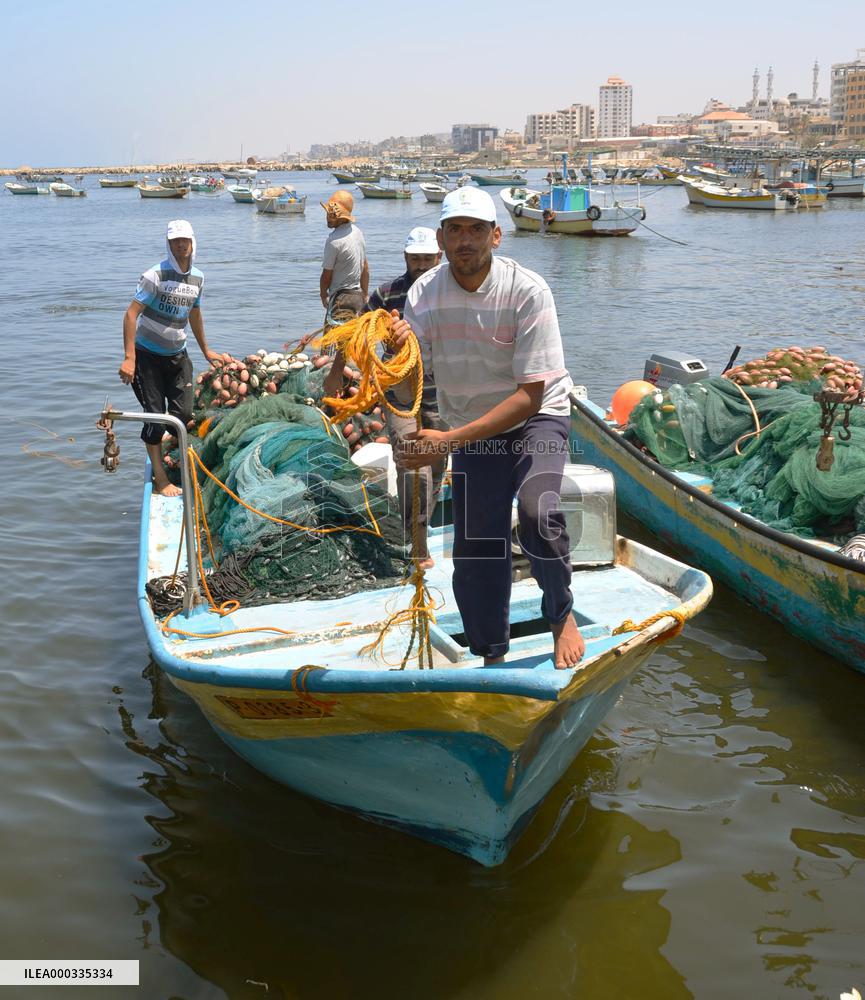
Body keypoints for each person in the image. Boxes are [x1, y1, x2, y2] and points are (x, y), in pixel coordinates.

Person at [389, 187, 585, 669]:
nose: (465, 241)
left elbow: (530, 395)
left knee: (539, 512)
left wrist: (447, 443)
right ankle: (491, 655)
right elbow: (411, 382)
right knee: (476, 551)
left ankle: (560, 614)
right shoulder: (423, 295)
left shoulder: (527, 291)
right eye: (455, 230)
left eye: (476, 230)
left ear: (496, 235)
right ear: (440, 239)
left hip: (536, 417)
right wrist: (396, 355)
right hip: (472, 425)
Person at [325, 226, 447, 568]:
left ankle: (418, 524)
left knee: (436, 464)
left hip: (444, 392)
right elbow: (356, 333)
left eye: (427, 258)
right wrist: (337, 370)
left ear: (439, 256)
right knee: (411, 460)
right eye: (415, 258)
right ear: (405, 257)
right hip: (399, 391)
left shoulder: (450, 291)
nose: (421, 265)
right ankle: (416, 542)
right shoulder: (386, 293)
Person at [118, 220, 226, 496]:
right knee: (155, 418)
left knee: (184, 414)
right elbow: (131, 315)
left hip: (178, 355)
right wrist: (129, 358)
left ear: (192, 242)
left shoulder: (198, 278)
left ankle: (160, 442)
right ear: (169, 244)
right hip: (147, 358)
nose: (181, 245)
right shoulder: (154, 276)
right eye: (175, 240)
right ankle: (161, 477)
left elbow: (195, 314)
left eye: (185, 240)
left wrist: (206, 350)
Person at [319, 191, 369, 329]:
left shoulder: (333, 241)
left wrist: (324, 296)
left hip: (340, 300)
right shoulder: (358, 232)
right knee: (353, 342)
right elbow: (365, 266)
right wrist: (365, 293)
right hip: (357, 297)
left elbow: (326, 274)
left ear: (341, 218)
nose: (328, 218)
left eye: (331, 215)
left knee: (331, 344)